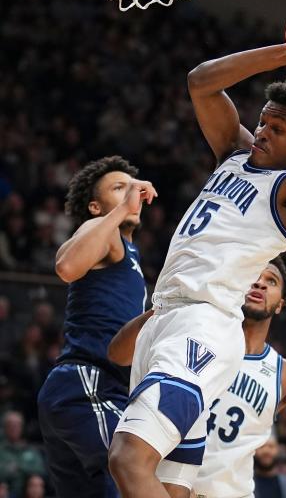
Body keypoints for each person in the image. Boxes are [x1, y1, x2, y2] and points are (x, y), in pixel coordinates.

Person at [107, 0, 286, 497]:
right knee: (169, 489)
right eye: (263, 122)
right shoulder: (234, 156)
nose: (262, 132)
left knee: (128, 460)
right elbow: (200, 81)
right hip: (165, 318)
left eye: (277, 130)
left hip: (204, 326)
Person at [108, 256, 286, 497]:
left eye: (271, 281)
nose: (261, 283)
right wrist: (167, 309)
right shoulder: (191, 332)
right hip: (164, 488)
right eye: (254, 276)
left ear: (279, 305)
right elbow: (117, 353)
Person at [36, 156, 154, 498]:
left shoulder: (130, 255)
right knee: (139, 473)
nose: (132, 193)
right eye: (120, 188)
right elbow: (67, 265)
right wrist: (116, 213)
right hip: (87, 384)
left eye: (133, 187)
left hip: (89, 390)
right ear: (95, 206)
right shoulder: (102, 232)